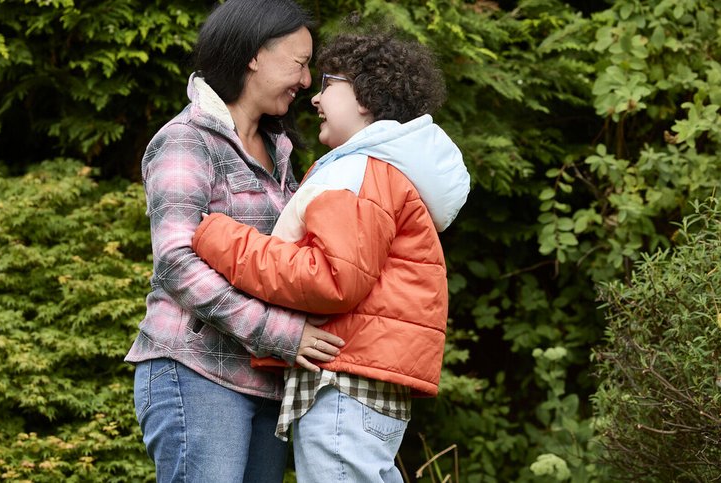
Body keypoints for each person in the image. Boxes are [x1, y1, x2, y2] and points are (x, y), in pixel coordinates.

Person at [191, 31, 471, 482]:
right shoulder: (377, 170)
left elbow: (330, 278)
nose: (314, 96)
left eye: (328, 84)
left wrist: (221, 237)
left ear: (365, 96)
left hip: (344, 383)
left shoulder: (357, 171)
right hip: (360, 378)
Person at [124, 1, 345, 482]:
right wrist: (281, 334)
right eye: (299, 63)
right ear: (253, 55)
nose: (307, 82)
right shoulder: (188, 140)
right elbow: (177, 265)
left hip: (266, 382)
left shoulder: (283, 151)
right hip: (197, 372)